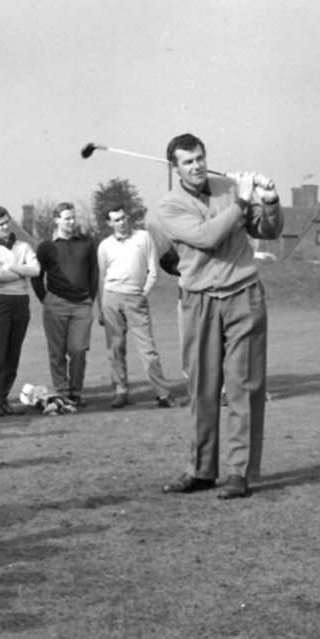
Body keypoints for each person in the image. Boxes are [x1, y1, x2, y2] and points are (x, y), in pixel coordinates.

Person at [155, 133, 283, 499]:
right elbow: (208, 236)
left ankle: (239, 473)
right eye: (187, 161)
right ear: (174, 167)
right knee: (202, 388)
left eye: (200, 158)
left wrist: (269, 200)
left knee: (245, 387)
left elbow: (268, 230)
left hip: (244, 295)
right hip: (198, 300)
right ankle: (201, 471)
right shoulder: (168, 206)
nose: (196, 166)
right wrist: (242, 199)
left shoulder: (229, 186)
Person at [96, 203, 176, 409]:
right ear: (109, 223)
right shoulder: (104, 246)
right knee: (115, 347)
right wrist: (101, 307)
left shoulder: (143, 237)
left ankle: (161, 393)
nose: (121, 222)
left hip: (135, 298)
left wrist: (144, 292)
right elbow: (103, 277)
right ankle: (121, 391)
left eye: (123, 218)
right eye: (116, 220)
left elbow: (153, 269)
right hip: (111, 298)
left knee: (147, 348)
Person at [31, 202, 98, 407]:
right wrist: (46, 299)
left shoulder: (86, 243)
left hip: (82, 305)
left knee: (78, 349)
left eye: (73, 218)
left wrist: (89, 299)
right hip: (55, 304)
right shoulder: (46, 247)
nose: (71, 222)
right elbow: (36, 275)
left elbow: (93, 273)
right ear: (57, 220)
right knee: (57, 351)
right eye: (67, 218)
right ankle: (62, 392)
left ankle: (76, 392)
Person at [0, 205, 39, 416]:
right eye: (0, 224)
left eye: (7, 222)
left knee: (13, 354)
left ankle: (4, 398)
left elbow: (36, 269)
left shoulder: (23, 246)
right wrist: (21, 272)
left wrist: (14, 269)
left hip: (20, 302)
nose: (5, 227)